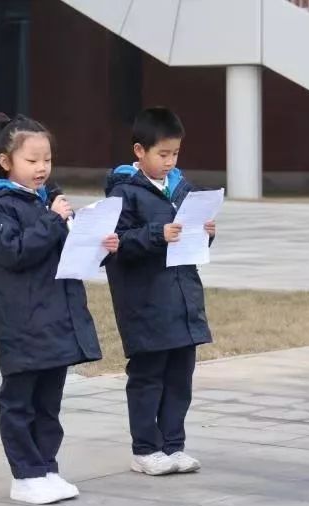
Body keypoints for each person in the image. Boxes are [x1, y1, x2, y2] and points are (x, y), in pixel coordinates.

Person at [0, 113, 119, 504]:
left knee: (49, 401)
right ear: (6, 161)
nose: (42, 168)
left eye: (47, 160)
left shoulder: (49, 202)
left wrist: (99, 247)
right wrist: (54, 221)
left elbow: (67, 251)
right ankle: (25, 473)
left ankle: (46, 466)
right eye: (32, 160)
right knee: (20, 399)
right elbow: (13, 252)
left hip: (55, 316)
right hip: (22, 319)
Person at [103, 107, 215, 476]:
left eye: (175, 154)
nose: (169, 162)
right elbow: (116, 243)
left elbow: (191, 242)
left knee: (180, 377)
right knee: (148, 377)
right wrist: (156, 234)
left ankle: (173, 444)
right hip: (145, 302)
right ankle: (145, 448)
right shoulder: (124, 192)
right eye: (162, 154)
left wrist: (207, 232)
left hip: (182, 300)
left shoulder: (183, 188)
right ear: (140, 151)